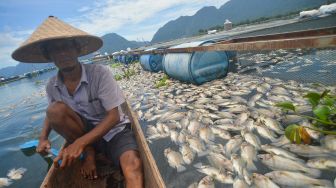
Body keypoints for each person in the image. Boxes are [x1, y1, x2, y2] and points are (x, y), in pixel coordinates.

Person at [11, 16, 143, 188]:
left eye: (67, 46)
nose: (63, 53)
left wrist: (79, 143)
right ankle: (90, 154)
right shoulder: (52, 85)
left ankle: (93, 152)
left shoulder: (99, 73)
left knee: (133, 165)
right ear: (49, 55)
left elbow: (114, 117)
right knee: (54, 111)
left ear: (77, 49)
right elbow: (51, 115)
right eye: (55, 50)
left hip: (114, 131)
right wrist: (43, 138)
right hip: (81, 131)